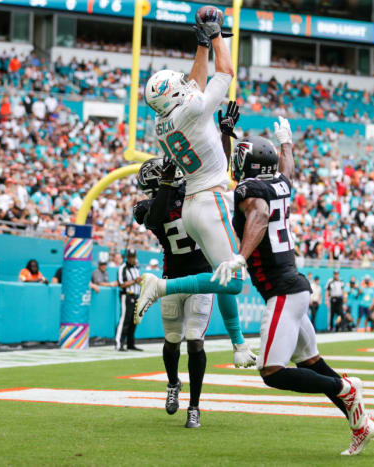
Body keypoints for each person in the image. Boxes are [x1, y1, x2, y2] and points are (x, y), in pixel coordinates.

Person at [214, 121, 374, 456]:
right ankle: (361, 424)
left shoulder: (249, 191)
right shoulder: (280, 183)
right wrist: (286, 144)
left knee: (272, 372)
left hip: (283, 291)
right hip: (295, 286)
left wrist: (241, 257)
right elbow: (286, 170)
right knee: (311, 362)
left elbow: (258, 216)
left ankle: (345, 388)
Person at [135, 16, 255, 368]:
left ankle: (238, 344)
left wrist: (201, 44)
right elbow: (226, 73)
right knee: (233, 280)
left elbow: (194, 84)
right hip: (211, 198)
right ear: (176, 93)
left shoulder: (163, 123)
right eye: (180, 85)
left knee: (221, 273)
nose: (187, 84)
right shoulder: (192, 109)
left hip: (192, 205)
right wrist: (217, 37)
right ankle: (161, 287)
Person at [134, 157, 214, 428]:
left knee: (195, 340)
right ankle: (172, 383)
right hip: (171, 279)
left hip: (201, 276)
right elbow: (155, 217)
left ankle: (194, 406)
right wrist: (168, 185)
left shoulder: (191, 192)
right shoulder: (147, 207)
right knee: (171, 340)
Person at [117, 248, 142, 351]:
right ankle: (119, 343)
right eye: (130, 257)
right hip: (126, 296)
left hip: (136, 296)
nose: (132, 259)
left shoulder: (136, 268)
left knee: (133, 321)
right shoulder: (122, 268)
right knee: (125, 320)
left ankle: (130, 344)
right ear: (127, 257)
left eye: (133, 257)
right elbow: (122, 284)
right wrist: (135, 281)